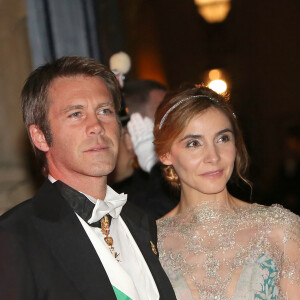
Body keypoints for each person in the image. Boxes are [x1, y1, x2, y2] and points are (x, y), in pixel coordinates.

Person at [0, 56, 176, 300]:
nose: (96, 126)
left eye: (105, 111)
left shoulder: (143, 223)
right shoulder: (14, 237)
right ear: (40, 136)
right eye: (75, 114)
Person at [153, 85, 300, 299]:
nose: (213, 156)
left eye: (223, 139)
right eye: (194, 143)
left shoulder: (280, 229)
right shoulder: (149, 244)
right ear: (166, 154)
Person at [110, 79, 178, 219]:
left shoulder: (159, 176)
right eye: (163, 115)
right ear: (133, 129)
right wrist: (154, 165)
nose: (175, 125)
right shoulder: (111, 193)